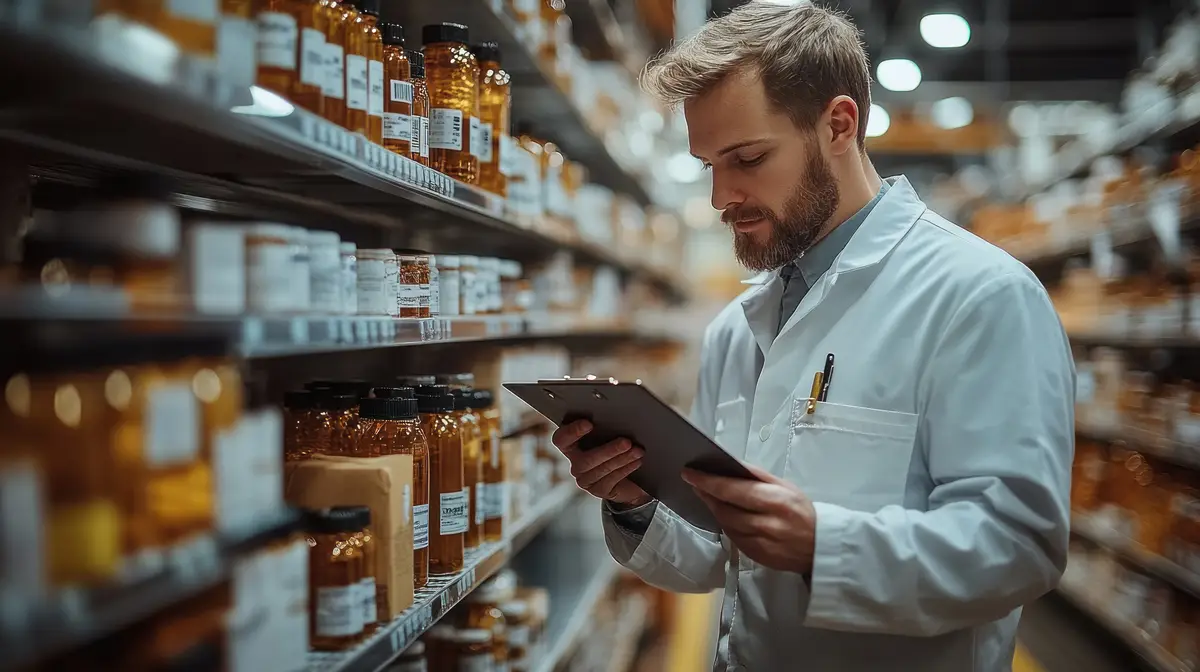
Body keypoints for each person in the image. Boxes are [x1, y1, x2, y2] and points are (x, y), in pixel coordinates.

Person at [550, 3, 1075, 671]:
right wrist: (635, 502)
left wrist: (825, 546)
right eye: (710, 163)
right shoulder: (734, 332)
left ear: (839, 124)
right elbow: (719, 555)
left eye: (746, 157)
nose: (720, 196)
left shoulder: (980, 297)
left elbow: (1018, 547)